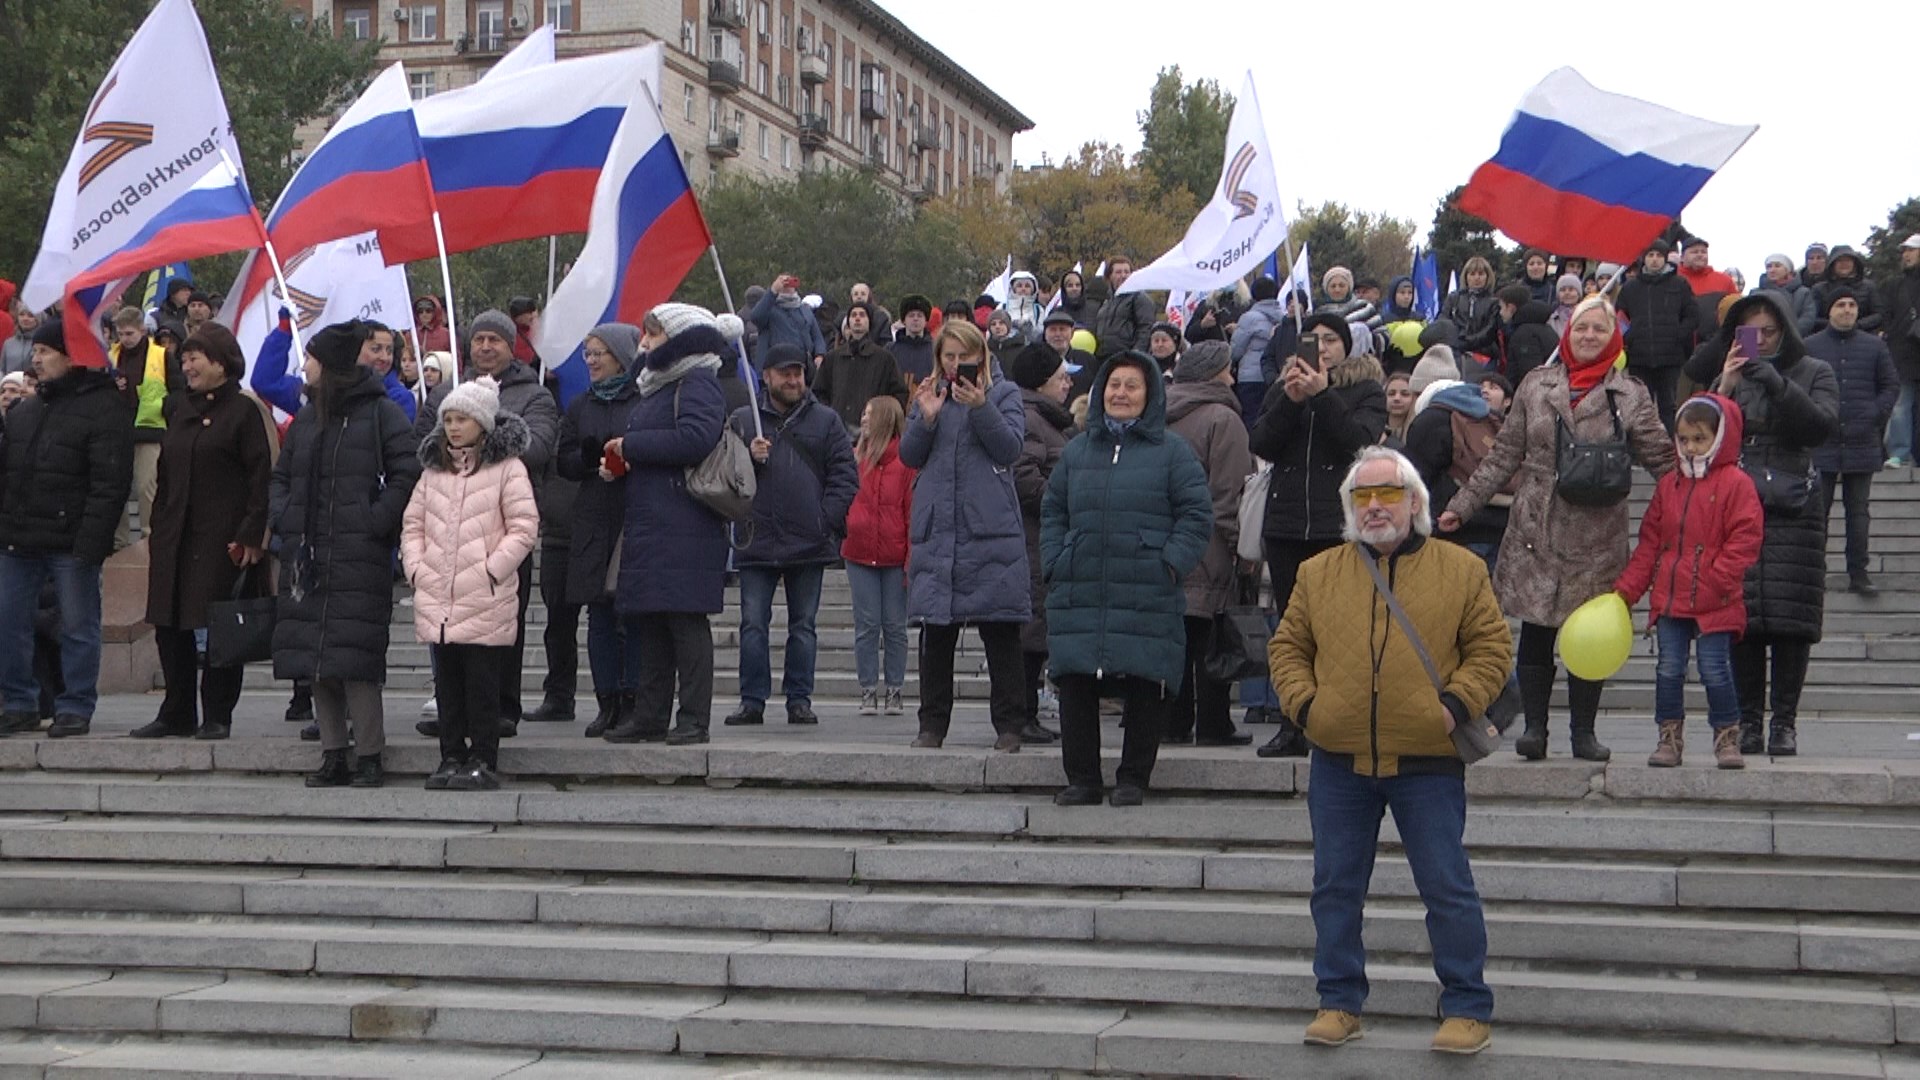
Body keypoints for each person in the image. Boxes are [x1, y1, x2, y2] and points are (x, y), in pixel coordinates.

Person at [1271, 447, 1508, 1057]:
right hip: (1339, 759)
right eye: (1362, 496)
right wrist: (1307, 709)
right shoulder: (1317, 571)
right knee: (1334, 888)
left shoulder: (1461, 570)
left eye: (1389, 494)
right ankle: (1338, 1000)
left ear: (1417, 502)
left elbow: (1491, 651)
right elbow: (1287, 649)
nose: (1375, 506)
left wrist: (1451, 707)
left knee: (1446, 886)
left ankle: (1466, 1007)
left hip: (1427, 760)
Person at [1441, 296, 1674, 762]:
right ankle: (1535, 730)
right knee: (1536, 631)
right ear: (1568, 332)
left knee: (1588, 635)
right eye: (1581, 328)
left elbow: (1663, 460)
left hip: (1598, 530)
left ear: (1614, 338)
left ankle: (1584, 733)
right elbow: (1504, 454)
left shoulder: (1630, 394)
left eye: (1599, 330)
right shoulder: (1534, 384)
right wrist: (1462, 507)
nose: (1589, 336)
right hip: (1536, 523)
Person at [1042, 351, 1211, 806]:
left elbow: (1197, 515)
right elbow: (1054, 510)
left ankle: (1134, 777)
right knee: (1075, 680)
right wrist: (1057, 558)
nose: (1120, 393)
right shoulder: (1077, 450)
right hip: (1081, 585)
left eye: (1131, 386)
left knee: (1145, 681)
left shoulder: (1173, 452)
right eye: (1113, 385)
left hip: (1147, 585)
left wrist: (1169, 561)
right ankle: (1083, 779)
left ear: (1149, 394)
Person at [1683, 292, 1839, 757]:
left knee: (1793, 620)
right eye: (1751, 332)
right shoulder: (1729, 375)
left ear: (1787, 329)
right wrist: (1724, 388)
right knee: (1741, 617)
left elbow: (1819, 427)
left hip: (1796, 505)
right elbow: (1697, 434)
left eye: (1769, 331)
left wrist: (1775, 382)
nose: (1761, 340)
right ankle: (1748, 719)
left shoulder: (1816, 372)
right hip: (1737, 503)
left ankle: (1785, 723)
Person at [270, 323, 421, 787]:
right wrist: (285, 516)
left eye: (310, 359)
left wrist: (375, 521)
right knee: (315, 659)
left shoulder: (380, 413)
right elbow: (281, 478)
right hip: (307, 555)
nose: (304, 367)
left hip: (359, 553)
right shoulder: (309, 418)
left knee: (356, 660)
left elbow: (406, 473)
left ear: (330, 364)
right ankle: (333, 752)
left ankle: (370, 754)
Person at [414, 311, 558, 739]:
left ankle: (502, 708)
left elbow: (539, 447)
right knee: (447, 631)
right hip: (446, 535)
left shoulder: (535, 394)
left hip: (499, 534)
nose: (485, 347)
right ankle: (452, 711)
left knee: (499, 632)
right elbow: (422, 444)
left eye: (495, 339)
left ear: (511, 346)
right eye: (479, 340)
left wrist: (488, 443)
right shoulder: (445, 391)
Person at [1249, 313, 1388, 757]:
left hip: (1340, 526)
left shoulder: (1364, 390)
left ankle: (1341, 721)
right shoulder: (1281, 388)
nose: (1322, 347)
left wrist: (1323, 396)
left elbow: (1360, 442)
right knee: (1294, 631)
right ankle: (1294, 722)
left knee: (1343, 629)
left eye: (1331, 339)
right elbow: (1262, 444)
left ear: (1347, 346)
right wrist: (1290, 401)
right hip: (1287, 526)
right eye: (1314, 339)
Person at [600, 304, 731, 745]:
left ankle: (694, 718)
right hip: (654, 522)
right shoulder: (656, 387)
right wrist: (621, 461)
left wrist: (632, 444)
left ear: (678, 339)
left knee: (686, 623)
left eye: (654, 335)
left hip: (686, 524)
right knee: (653, 622)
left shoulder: (697, 382)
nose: (644, 343)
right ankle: (650, 715)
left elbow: (696, 439)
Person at [134, 325, 273, 742]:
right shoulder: (180, 409)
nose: (188, 365)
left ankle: (217, 713)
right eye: (186, 358)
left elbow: (260, 477)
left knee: (218, 626)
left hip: (221, 540)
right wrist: (159, 527)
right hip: (175, 536)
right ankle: (176, 710)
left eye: (197, 357)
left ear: (221, 364)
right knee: (168, 621)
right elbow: (166, 473)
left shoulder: (244, 411)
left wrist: (251, 534)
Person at [402, 376, 539, 791]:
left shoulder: (507, 468)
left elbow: (524, 525)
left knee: (482, 683)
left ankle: (483, 756)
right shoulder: (434, 471)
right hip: (439, 595)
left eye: (462, 419)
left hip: (483, 595)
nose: (454, 427)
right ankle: (450, 755)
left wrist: (492, 569)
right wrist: (416, 569)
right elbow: (413, 524)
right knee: (448, 682)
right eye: (448, 419)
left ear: (482, 423)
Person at [901, 319, 1031, 752]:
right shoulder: (929, 395)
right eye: (949, 357)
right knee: (935, 635)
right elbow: (909, 455)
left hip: (989, 529)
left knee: (1001, 633)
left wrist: (980, 407)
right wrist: (925, 418)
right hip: (939, 530)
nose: (956, 366)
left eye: (965, 357)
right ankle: (931, 726)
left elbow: (1010, 448)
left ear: (982, 357)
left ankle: (1010, 725)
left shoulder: (1003, 394)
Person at [0, 319, 134, 738]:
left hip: (72, 542)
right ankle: (19, 702)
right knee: (8, 622)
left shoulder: (103, 407)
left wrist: (91, 543)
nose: (35, 359)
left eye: (45, 351)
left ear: (72, 356)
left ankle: (75, 704)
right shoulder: (25, 410)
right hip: (18, 540)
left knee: (78, 625)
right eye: (34, 351)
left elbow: (109, 483)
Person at [1614, 395, 1763, 770]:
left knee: (1716, 669)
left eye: (1700, 438)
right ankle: (1669, 738)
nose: (1691, 447)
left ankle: (1727, 736)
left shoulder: (1736, 483)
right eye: (1684, 439)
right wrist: (1626, 591)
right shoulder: (1670, 485)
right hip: (1671, 596)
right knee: (1668, 669)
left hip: (1717, 597)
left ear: (1720, 438)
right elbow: (1650, 544)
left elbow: (1745, 537)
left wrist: (1719, 577)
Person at [726, 343, 859, 729]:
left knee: (803, 627)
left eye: (797, 372)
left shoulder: (826, 421)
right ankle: (752, 701)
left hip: (809, 542)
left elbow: (845, 477)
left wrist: (824, 520)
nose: (793, 379)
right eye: (784, 373)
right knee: (752, 625)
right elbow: (721, 475)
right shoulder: (742, 419)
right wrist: (747, 457)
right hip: (756, 537)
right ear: (765, 377)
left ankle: (799, 699)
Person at [556, 324, 646, 738]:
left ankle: (632, 700)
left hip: (631, 517)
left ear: (621, 357)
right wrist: (586, 459)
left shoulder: (642, 401)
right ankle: (606, 700)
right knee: (599, 618)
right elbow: (564, 461)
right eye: (587, 353)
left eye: (598, 353)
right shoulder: (580, 405)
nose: (590, 361)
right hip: (593, 517)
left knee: (631, 618)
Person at [1162, 341, 1255, 747]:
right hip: (1210, 542)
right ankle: (1215, 723)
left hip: (1165, 540)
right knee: (1211, 638)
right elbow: (1229, 490)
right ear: (1215, 373)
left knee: (1177, 636)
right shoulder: (1223, 418)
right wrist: (1240, 544)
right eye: (1227, 369)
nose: (1233, 377)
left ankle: (1173, 720)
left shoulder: (1158, 413)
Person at [1807, 289, 1898, 595]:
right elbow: (1801, 387)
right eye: (1840, 305)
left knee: (1858, 512)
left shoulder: (1874, 346)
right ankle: (1812, 572)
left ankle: (1859, 573)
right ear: (1829, 310)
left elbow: (1890, 385)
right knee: (1817, 512)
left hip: (1862, 440)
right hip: (1823, 441)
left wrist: (1874, 414)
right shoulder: (1811, 346)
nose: (1847, 310)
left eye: (1852, 305)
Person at [1010, 344, 1078, 745]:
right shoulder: (1031, 418)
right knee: (1030, 631)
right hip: (1032, 537)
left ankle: (1026, 713)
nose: (1067, 383)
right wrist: (1067, 494)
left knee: (1037, 630)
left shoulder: (1048, 420)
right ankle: (1021, 715)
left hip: (1044, 538)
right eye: (1060, 377)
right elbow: (1023, 477)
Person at [841, 395, 915, 717]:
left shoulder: (907, 462)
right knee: (866, 624)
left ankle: (895, 689)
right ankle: (868, 687)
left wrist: (912, 557)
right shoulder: (855, 458)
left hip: (895, 553)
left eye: (870, 414)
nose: (864, 419)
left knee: (895, 626)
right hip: (858, 551)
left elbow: (911, 512)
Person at [1405, 373, 1512, 576]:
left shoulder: (1431, 420)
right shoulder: (1490, 417)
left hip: (1456, 527)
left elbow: (1417, 480)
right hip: (1501, 524)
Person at [109, 306, 185, 548]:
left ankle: (148, 538)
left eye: (129, 333)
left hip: (150, 430)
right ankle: (119, 542)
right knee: (116, 488)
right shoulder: (111, 356)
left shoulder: (161, 356)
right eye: (120, 334)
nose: (125, 339)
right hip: (117, 431)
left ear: (142, 330)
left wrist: (164, 407)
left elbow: (180, 391)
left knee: (145, 488)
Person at [1617, 239, 1699, 431]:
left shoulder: (1679, 284)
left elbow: (1692, 315)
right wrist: (1630, 338)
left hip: (1670, 357)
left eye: (1659, 256)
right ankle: (1641, 449)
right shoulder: (1630, 288)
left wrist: (1678, 335)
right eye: (1650, 255)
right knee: (1640, 407)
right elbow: (1619, 317)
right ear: (1643, 259)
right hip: (1639, 357)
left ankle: (1670, 448)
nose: (1654, 260)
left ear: (1665, 259)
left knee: (1668, 407)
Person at [814, 301, 909, 433]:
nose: (857, 318)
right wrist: (829, 415)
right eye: (853, 315)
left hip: (872, 431)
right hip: (837, 430)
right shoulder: (832, 358)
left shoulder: (884, 359)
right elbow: (818, 392)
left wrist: (882, 419)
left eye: (862, 315)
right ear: (848, 322)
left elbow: (898, 394)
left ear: (870, 322)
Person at [1881, 235, 1920, 468]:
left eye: (1912, 250)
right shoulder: (1894, 285)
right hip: (1902, 352)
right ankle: (1899, 452)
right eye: (1904, 251)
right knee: (1900, 405)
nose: (1906, 255)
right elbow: (1885, 315)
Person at [749, 273, 828, 368]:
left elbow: (817, 337)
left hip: (804, 366)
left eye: (791, 282)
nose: (788, 286)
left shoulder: (804, 309)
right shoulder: (769, 308)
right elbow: (755, 317)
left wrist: (820, 355)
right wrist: (773, 291)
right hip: (777, 366)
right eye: (784, 283)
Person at [1093, 257, 1155, 360]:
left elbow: (1146, 328)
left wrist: (1137, 353)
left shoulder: (1139, 298)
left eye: (1127, 272)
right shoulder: (1105, 303)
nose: (1123, 276)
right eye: (1118, 272)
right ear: (1109, 277)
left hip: (1127, 358)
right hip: (1104, 359)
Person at [1812, 245, 1880, 334]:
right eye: (1840, 261)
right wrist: (1837, 325)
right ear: (1832, 264)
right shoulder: (1819, 289)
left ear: (1854, 263)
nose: (1844, 264)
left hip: (1863, 335)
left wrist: (1857, 325)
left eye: (1847, 260)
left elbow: (1878, 315)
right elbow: (1813, 318)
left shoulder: (1868, 286)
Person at [1443, 257, 1500, 354]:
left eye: (1481, 274)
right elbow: (1443, 322)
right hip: (1455, 351)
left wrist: (1468, 342)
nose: (1477, 278)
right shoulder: (1453, 299)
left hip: (1485, 354)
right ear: (1466, 276)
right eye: (1472, 274)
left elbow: (1490, 329)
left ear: (1488, 277)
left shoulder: (1494, 302)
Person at [1755, 254, 1819, 337]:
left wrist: (1789, 334)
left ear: (1787, 270)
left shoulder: (1803, 293)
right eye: (1769, 267)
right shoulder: (1756, 293)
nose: (1772, 270)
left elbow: (1808, 318)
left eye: (1777, 266)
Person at [888, 294, 936, 384]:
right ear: (903, 320)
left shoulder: (935, 349)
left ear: (926, 320)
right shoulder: (890, 349)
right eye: (911, 315)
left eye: (920, 315)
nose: (915, 319)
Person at [1379, 371, 1416, 447]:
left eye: (1405, 394)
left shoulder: (1418, 433)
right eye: (1391, 394)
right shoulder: (1374, 431)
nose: (1397, 398)